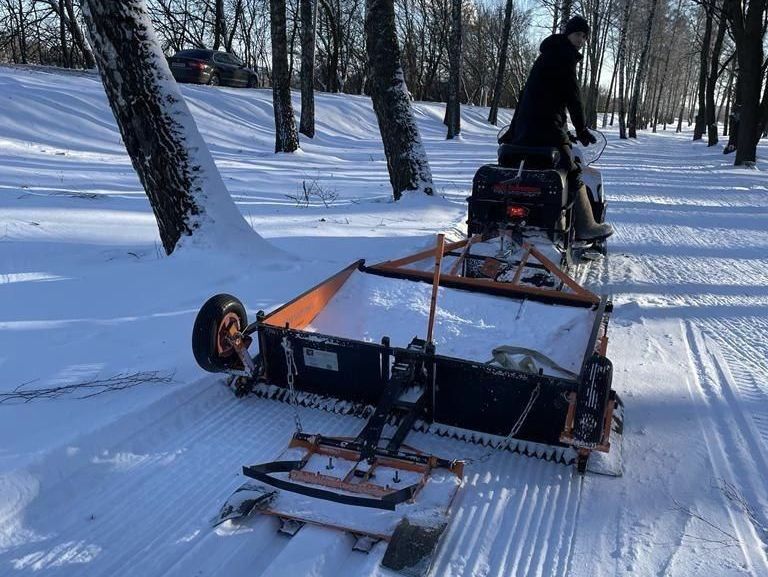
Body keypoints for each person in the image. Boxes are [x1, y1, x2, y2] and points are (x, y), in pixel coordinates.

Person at [501, 15, 613, 241]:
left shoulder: (545, 56)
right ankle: (586, 227)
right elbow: (573, 96)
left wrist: (513, 131)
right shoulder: (565, 56)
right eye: (578, 34)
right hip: (548, 131)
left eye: (584, 36)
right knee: (572, 171)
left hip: (525, 132)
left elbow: (525, 96)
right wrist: (581, 130)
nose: (581, 40)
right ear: (568, 33)